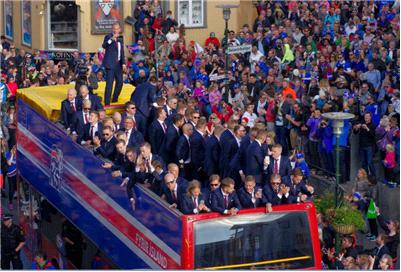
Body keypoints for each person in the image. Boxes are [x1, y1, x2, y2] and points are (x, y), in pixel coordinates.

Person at [102, 22, 126, 105]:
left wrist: (123, 63)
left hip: (118, 64)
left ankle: (115, 98)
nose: (116, 30)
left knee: (120, 82)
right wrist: (112, 39)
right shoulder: (108, 37)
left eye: (117, 29)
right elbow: (104, 45)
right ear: (112, 29)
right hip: (110, 63)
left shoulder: (121, 38)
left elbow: (121, 51)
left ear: (119, 29)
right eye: (114, 29)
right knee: (109, 84)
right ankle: (107, 102)